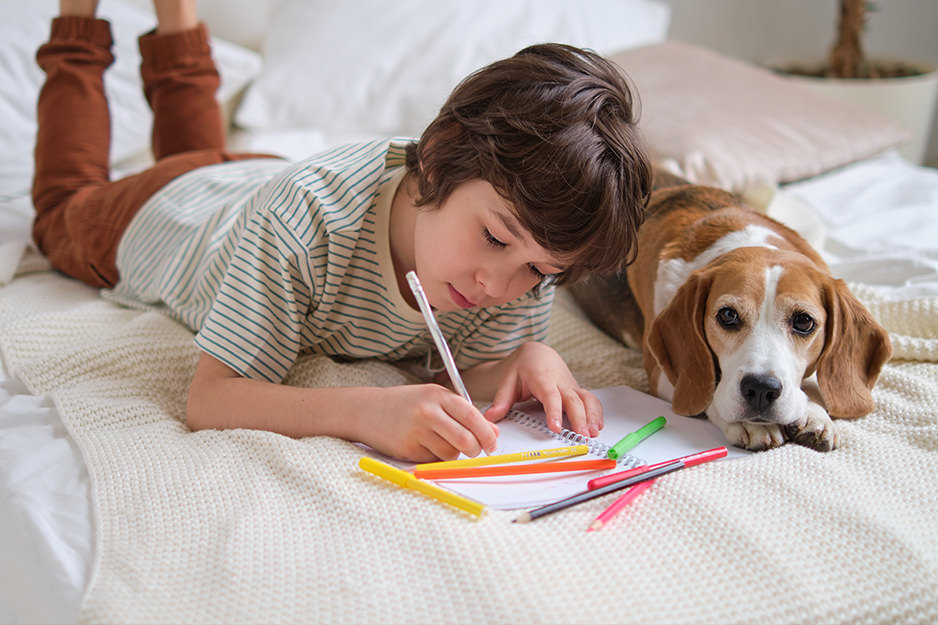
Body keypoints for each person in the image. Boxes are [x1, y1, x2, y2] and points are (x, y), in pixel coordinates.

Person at [32, 0, 653, 462]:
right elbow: (212, 397)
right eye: (494, 239)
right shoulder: (303, 221)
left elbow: (462, 371)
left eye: (539, 271)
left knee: (195, 147)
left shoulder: (525, 249)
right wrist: (361, 410)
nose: (497, 283)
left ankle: (176, 21)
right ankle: (78, 24)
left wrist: (525, 357)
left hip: (252, 179)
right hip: (162, 211)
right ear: (437, 156)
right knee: (59, 208)